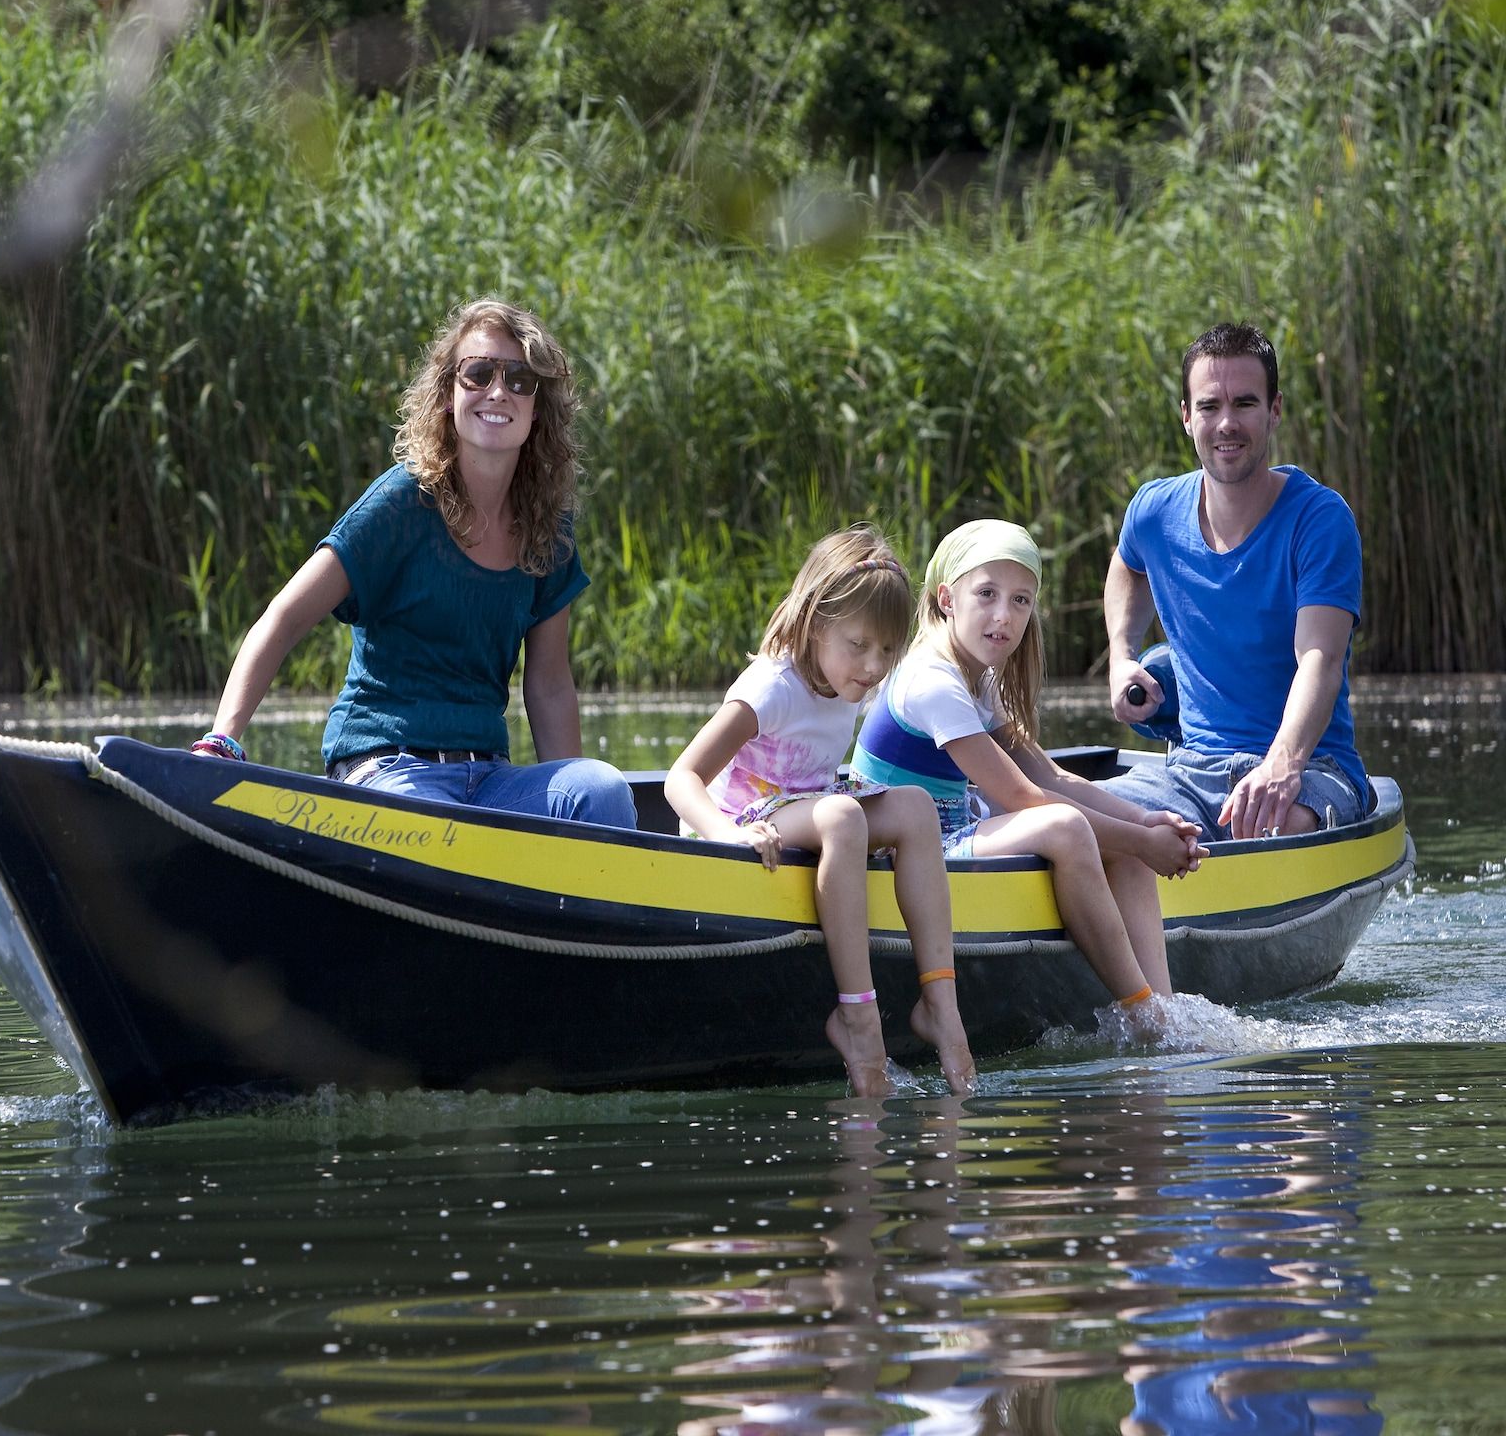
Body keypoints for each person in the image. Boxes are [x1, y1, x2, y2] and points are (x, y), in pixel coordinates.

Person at [192, 297, 636, 828]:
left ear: (537, 407)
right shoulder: (403, 502)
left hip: (489, 779)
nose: (498, 391)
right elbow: (283, 619)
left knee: (601, 790)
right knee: (441, 828)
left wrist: (573, 830)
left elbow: (549, 683)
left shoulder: (548, 528)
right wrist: (223, 740)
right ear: (449, 394)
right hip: (386, 769)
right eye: (478, 374)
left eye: (520, 379)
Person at [665, 526, 976, 1097]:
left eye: (887, 650)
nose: (873, 665)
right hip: (743, 819)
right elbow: (682, 778)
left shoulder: (849, 681)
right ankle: (857, 1017)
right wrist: (724, 836)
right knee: (841, 817)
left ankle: (941, 1004)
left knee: (915, 809)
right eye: (858, 646)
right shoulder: (773, 686)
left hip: (807, 806)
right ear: (814, 622)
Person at [852, 520, 1201, 1020]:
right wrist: (1140, 838)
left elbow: (1051, 777)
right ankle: (1142, 1011)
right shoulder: (933, 680)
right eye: (987, 594)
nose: (1004, 615)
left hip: (954, 822)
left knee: (1122, 846)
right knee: (1066, 826)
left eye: (1020, 600)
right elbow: (1024, 799)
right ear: (947, 600)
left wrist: (1144, 823)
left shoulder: (978, 678)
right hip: (907, 844)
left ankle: (1163, 1006)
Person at [1105, 321, 1372, 840]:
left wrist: (1280, 765)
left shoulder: (1319, 520)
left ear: (1274, 411)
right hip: (1188, 772)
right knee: (1078, 821)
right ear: (1186, 417)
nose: (1226, 422)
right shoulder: (1155, 511)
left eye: (1245, 404)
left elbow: (1319, 661)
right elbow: (1126, 565)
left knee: (1274, 825)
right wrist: (1121, 656)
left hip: (1313, 769)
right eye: (1209, 406)